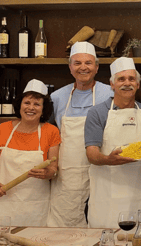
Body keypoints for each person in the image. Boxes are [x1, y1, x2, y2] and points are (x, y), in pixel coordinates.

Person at [84, 57, 141, 228]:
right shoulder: (97, 113)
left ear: (138, 84)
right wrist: (109, 160)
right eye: (121, 79)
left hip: (138, 188)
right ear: (112, 84)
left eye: (131, 79)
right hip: (107, 190)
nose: (127, 83)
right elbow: (91, 154)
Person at [48, 41, 113, 227]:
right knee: (66, 224)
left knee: (101, 221)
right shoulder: (57, 97)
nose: (83, 67)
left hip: (102, 168)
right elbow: (49, 133)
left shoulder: (110, 94)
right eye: (77, 63)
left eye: (88, 63)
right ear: (70, 67)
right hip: (68, 175)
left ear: (97, 67)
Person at [0, 79, 60, 226]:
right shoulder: (3, 129)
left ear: (43, 108)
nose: (31, 108)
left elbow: (53, 167)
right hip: (4, 202)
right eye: (27, 103)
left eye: (37, 104)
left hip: (36, 208)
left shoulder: (51, 131)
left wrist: (49, 173)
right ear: (19, 105)